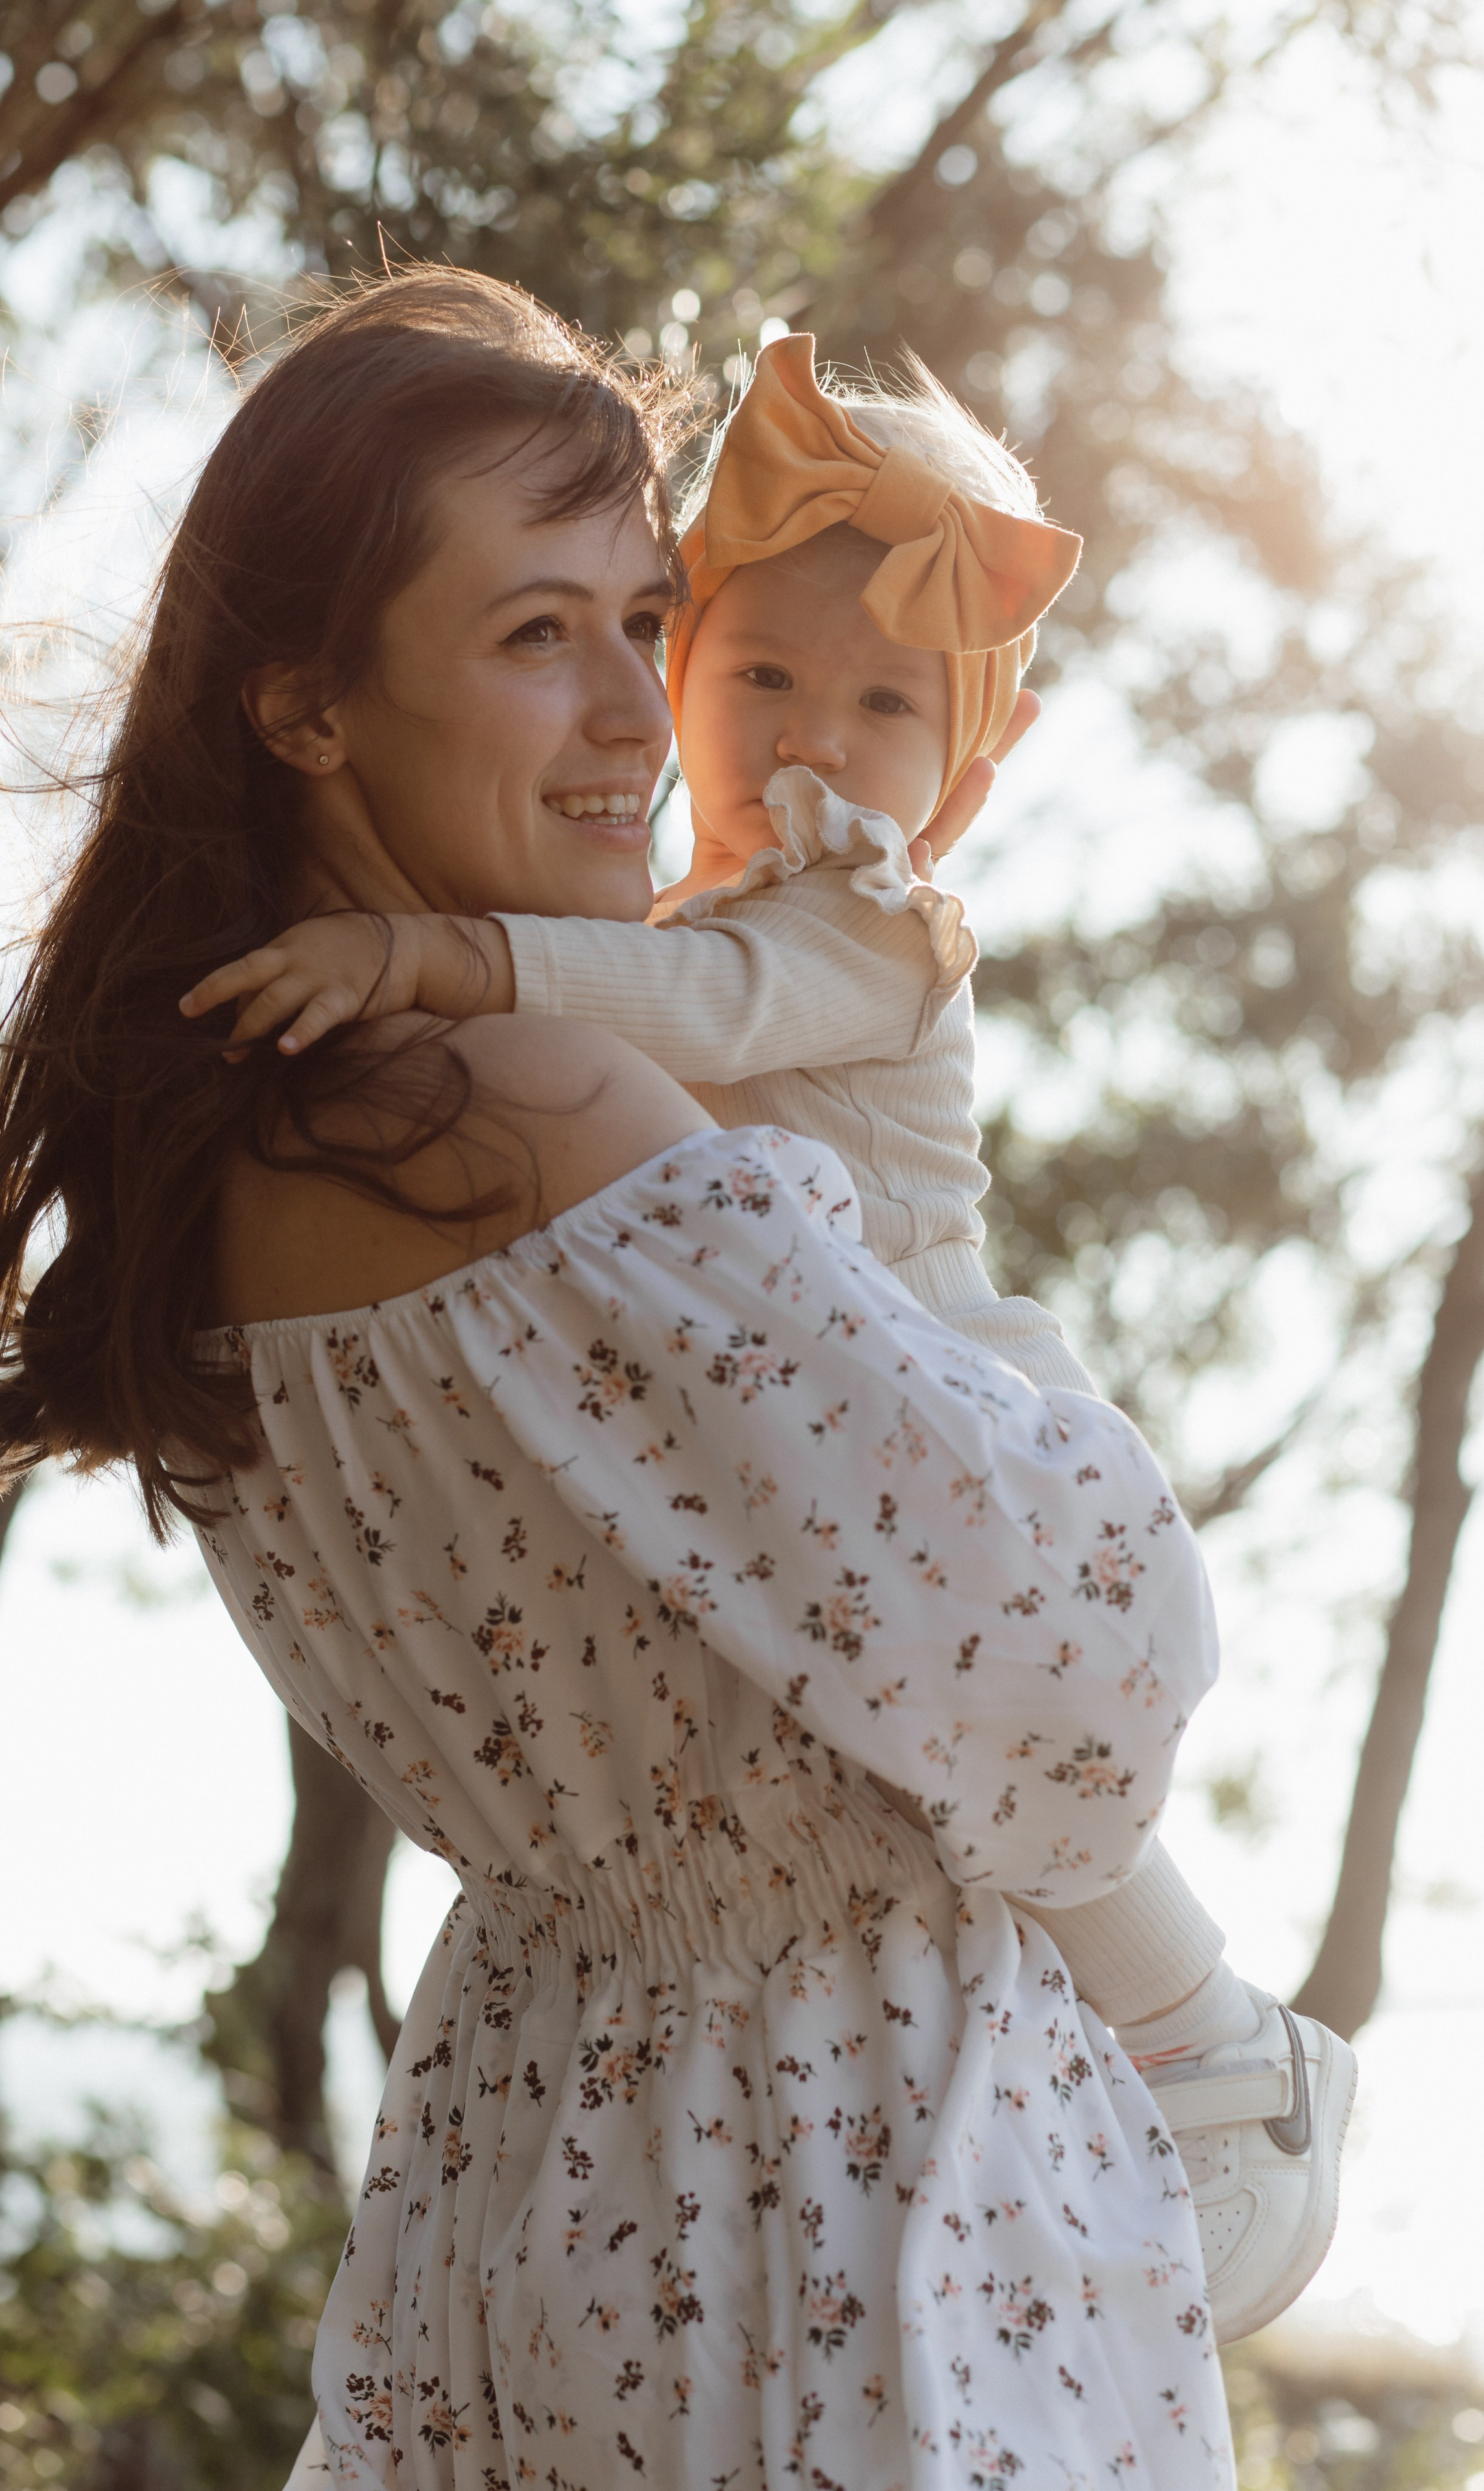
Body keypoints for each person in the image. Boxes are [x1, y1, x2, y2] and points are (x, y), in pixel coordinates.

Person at [0, 268, 1236, 2488]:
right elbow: (1094, 1668)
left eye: (639, 620)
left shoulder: (226, 1161)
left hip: (547, 2162)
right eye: (531, 633)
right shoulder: (534, 1118)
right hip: (855, 2202)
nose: (645, 723)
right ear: (305, 709)